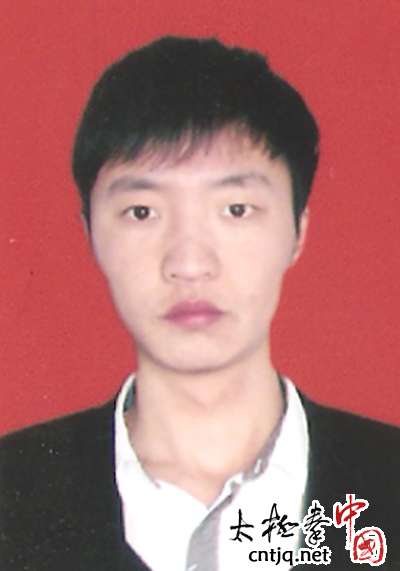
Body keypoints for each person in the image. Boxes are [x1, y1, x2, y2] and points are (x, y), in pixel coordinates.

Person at [1, 36, 399, 571]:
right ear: (91, 232)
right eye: (142, 212)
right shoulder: (12, 492)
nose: (189, 263)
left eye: (235, 209)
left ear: (297, 230)